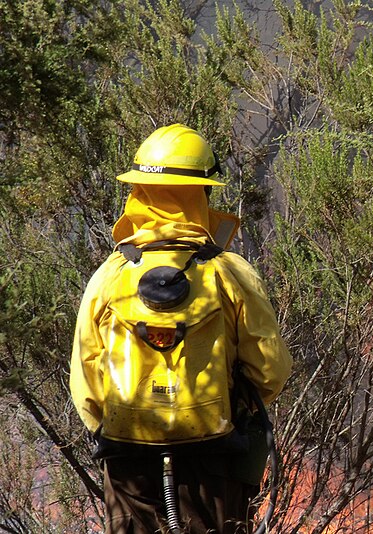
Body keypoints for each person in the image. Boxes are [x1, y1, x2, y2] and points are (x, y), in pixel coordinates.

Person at [69, 124, 292, 533]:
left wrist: (120, 426)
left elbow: (86, 380)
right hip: (215, 457)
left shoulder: (110, 274)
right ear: (202, 194)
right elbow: (270, 371)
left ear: (138, 193)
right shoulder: (229, 272)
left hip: (128, 459)